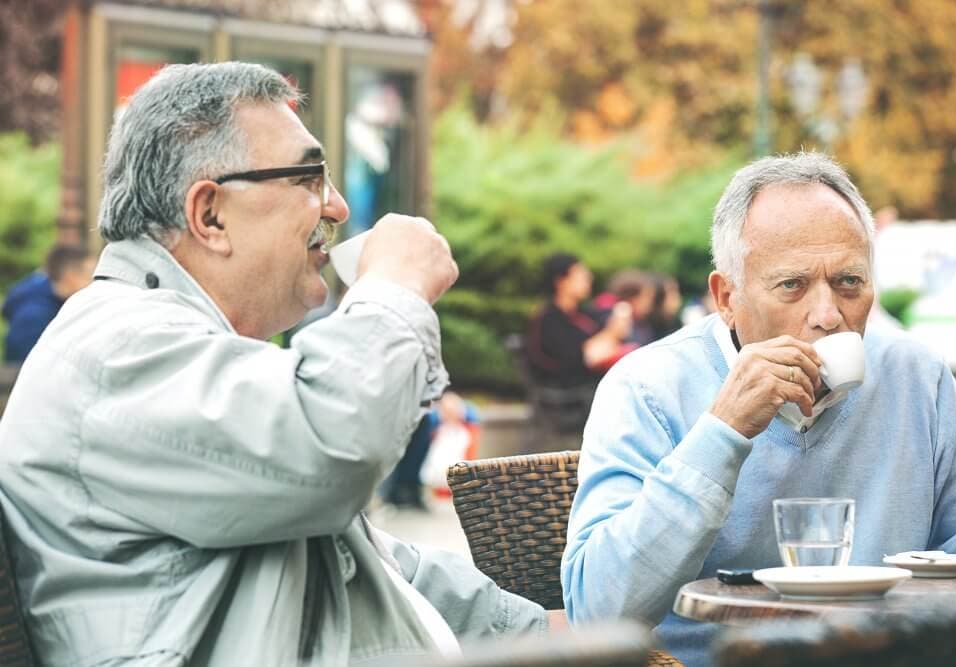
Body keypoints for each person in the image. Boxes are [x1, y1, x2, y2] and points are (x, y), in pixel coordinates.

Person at [0, 62, 551, 666]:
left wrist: (540, 632)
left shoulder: (171, 342)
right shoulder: (116, 348)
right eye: (309, 177)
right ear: (209, 215)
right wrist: (393, 289)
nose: (336, 207)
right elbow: (337, 442)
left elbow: (372, 566)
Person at [561, 152, 956, 667]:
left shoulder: (916, 377)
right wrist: (722, 431)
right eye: (792, 285)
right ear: (726, 296)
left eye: (849, 283)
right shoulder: (649, 388)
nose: (828, 315)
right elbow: (599, 610)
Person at [525, 253, 635, 389]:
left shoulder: (582, 313)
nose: (589, 278)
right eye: (581, 275)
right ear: (561, 281)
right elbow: (578, 357)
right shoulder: (549, 318)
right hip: (567, 387)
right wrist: (612, 333)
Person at [1, 244, 95, 363]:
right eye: (90, 276)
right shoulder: (33, 317)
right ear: (71, 276)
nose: (95, 283)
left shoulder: (53, 298)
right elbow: (26, 368)